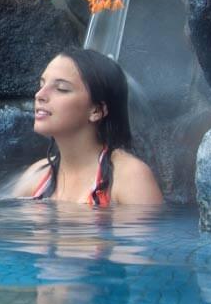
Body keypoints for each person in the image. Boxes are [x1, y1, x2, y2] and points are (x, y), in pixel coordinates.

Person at [13, 48, 163, 206]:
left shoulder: (129, 177)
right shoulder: (37, 176)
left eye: (61, 89)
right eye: (41, 84)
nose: (39, 95)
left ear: (96, 110)